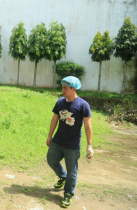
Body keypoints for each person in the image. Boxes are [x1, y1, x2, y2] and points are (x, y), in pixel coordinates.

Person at [46, 76, 93, 208]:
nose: (63, 90)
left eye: (65, 88)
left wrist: (89, 146)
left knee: (72, 171)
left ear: (73, 89)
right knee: (51, 159)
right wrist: (50, 135)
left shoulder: (83, 105)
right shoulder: (60, 102)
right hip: (57, 140)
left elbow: (88, 127)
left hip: (72, 145)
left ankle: (68, 194)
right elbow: (54, 119)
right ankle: (62, 176)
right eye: (62, 87)